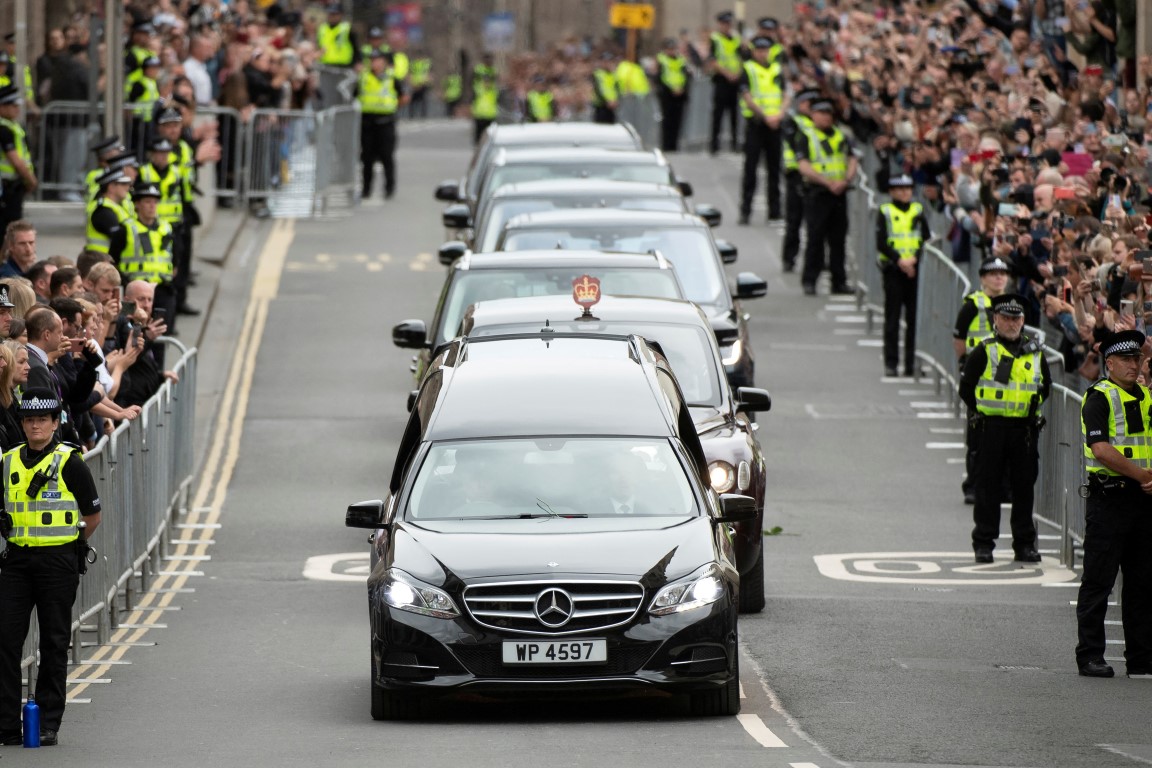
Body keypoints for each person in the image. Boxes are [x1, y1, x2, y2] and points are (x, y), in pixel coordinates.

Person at [0, 387, 103, 747]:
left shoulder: (70, 462)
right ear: (23, 423)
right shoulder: (9, 461)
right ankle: (6, 723)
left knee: (54, 643)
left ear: (55, 422)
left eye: (42, 419)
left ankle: (47, 723)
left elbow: (92, 516)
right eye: (29, 420)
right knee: (5, 641)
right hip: (16, 562)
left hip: (57, 563)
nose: (35, 426)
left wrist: (67, 544)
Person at [1076, 329, 1152, 679]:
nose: (1133, 366)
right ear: (1109, 363)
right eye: (1125, 360)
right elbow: (1101, 450)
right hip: (1110, 499)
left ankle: (1141, 658)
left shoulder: (1147, 397)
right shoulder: (1099, 397)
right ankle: (1090, 654)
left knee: (1142, 582)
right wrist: (1142, 475)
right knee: (1099, 580)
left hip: (1143, 501)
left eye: (1137, 359)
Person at [959, 294, 1051, 564]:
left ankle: (1024, 544)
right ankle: (984, 543)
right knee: (988, 488)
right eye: (1006, 318)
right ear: (996, 320)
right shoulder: (985, 350)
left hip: (1023, 430)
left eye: (1017, 319)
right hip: (992, 428)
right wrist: (984, 411)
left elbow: (1046, 385)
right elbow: (966, 388)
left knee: (1024, 488)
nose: (1012, 323)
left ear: (1023, 322)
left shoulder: (1034, 352)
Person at [954, 256, 1012, 504]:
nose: (998, 277)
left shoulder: (1012, 305)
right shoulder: (973, 305)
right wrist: (965, 364)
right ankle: (974, 485)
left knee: (1007, 434)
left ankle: (1002, 486)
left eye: (1002, 273)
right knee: (977, 433)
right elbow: (959, 338)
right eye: (992, 273)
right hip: (980, 376)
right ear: (982, 278)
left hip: (1007, 377)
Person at [796, 99, 857, 296]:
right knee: (815, 238)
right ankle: (810, 280)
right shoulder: (806, 136)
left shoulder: (842, 136)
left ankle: (839, 281)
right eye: (821, 113)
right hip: (818, 193)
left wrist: (845, 180)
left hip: (839, 194)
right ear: (813, 115)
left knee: (838, 240)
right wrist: (827, 182)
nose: (825, 117)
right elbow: (803, 165)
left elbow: (852, 159)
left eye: (828, 114)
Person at [877, 175, 929, 377]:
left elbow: (925, 239)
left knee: (914, 320)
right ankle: (891, 363)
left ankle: (911, 364)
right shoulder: (885, 211)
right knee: (892, 318)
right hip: (893, 270)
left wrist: (914, 260)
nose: (904, 192)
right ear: (891, 192)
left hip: (914, 271)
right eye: (899, 189)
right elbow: (881, 242)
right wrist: (901, 261)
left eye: (908, 188)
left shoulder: (918, 210)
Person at [737, 35, 787, 225]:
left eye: (765, 50)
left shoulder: (776, 69)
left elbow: (785, 94)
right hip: (757, 124)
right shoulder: (749, 69)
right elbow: (747, 96)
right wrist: (765, 116)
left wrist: (779, 115)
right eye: (759, 50)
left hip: (775, 124)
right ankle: (746, 210)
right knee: (751, 168)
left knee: (774, 169)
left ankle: (774, 210)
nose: (762, 53)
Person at [124, 181, 176, 327]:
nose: (152, 206)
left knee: (161, 335)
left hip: (162, 290)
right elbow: (114, 259)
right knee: (129, 330)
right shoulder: (126, 228)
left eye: (155, 202)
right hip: (134, 292)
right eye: (147, 201)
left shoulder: (167, 228)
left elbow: (175, 258)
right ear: (137, 204)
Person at [357, 50, 404, 200]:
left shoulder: (391, 77)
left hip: (386, 122)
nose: (375, 63)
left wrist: (393, 108)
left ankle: (389, 188)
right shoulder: (363, 77)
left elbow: (403, 96)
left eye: (378, 60)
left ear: (384, 62)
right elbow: (354, 96)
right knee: (367, 158)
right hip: (367, 123)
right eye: (372, 60)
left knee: (387, 156)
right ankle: (366, 189)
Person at [781, 88, 819, 272]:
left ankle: (818, 261)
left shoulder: (820, 123)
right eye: (806, 103)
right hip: (796, 174)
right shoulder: (793, 121)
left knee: (816, 223)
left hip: (816, 177)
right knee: (794, 220)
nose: (809, 107)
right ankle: (789, 258)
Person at [0, 85, 36, 237]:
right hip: (7, 187)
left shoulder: (12, 126)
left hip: (12, 186)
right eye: (13, 105)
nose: (17, 109)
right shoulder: (4, 129)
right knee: (8, 232)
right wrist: (31, 180)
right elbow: (16, 160)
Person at [86, 169, 137, 268]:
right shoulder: (104, 210)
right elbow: (119, 238)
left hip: (106, 262)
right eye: (123, 184)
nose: (128, 187)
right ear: (111, 187)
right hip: (101, 264)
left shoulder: (118, 207)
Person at [708, 11, 742, 155]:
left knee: (734, 114)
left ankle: (735, 143)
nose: (726, 26)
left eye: (728, 24)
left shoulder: (736, 39)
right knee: (718, 114)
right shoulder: (715, 39)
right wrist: (727, 73)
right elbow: (713, 60)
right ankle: (714, 145)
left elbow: (741, 58)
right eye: (724, 24)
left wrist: (737, 74)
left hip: (734, 81)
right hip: (721, 80)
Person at [656, 38, 689, 152]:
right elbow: (661, 78)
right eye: (669, 49)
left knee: (677, 121)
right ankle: (666, 145)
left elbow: (686, 77)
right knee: (667, 121)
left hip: (679, 95)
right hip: (667, 95)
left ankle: (674, 145)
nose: (671, 51)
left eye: (673, 49)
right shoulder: (662, 60)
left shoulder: (681, 60)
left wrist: (681, 89)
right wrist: (672, 88)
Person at [470, 54, 498, 145]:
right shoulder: (479, 73)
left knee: (489, 135)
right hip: (480, 112)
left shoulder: (493, 74)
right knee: (478, 136)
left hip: (491, 113)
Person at [317, 4, 356, 68]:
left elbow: (355, 48)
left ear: (341, 15)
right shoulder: (322, 29)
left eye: (335, 14)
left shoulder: (347, 29)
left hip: (343, 65)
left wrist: (355, 63)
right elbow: (318, 46)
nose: (332, 16)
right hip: (325, 65)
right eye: (331, 14)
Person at [590, 52, 618, 125]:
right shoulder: (598, 74)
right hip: (601, 105)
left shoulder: (613, 75)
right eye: (605, 61)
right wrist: (608, 101)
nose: (607, 63)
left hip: (612, 106)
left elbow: (616, 89)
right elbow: (600, 90)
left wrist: (615, 100)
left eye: (609, 61)